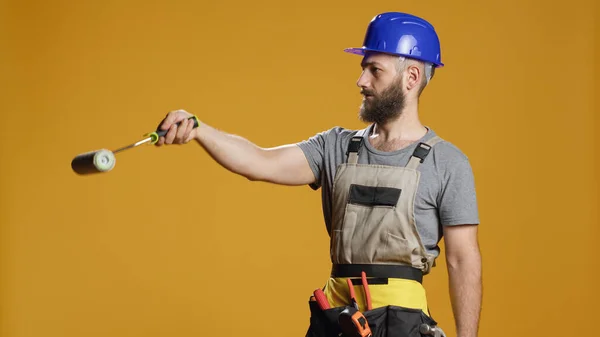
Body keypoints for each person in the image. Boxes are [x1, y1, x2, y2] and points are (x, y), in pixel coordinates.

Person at [155, 12, 481, 337]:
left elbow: (463, 261)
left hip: (402, 325)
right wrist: (200, 130)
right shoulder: (335, 147)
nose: (361, 81)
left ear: (411, 77)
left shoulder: (447, 162)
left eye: (374, 70)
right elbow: (260, 162)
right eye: (362, 69)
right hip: (338, 321)